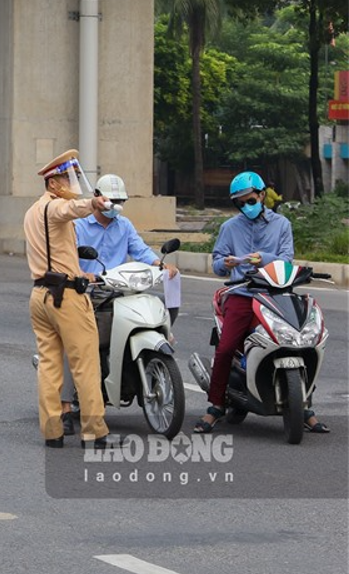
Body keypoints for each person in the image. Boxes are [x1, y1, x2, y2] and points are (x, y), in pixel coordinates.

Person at [193, 171, 328, 434]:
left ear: (262, 195)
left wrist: (262, 257)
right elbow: (218, 264)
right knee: (226, 348)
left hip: (278, 293)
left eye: (250, 200)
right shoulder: (229, 228)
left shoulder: (282, 225)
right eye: (240, 203)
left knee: (305, 342)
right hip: (243, 294)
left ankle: (306, 406)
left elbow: (287, 259)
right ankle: (215, 406)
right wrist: (227, 263)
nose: (246, 206)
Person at [54, 173, 180, 433]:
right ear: (98, 198)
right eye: (112, 200)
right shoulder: (78, 225)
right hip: (87, 293)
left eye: (120, 200)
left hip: (121, 289)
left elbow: (140, 249)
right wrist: (82, 274)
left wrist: (160, 264)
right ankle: (65, 409)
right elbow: (68, 256)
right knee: (75, 347)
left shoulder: (124, 225)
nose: (116, 205)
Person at [24, 149, 111, 448]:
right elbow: (68, 211)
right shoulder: (54, 208)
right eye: (67, 178)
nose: (72, 183)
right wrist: (92, 204)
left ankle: (52, 432)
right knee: (85, 364)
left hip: (41, 294)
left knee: (50, 365)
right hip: (66, 298)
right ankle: (95, 432)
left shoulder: (32, 211)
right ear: (52, 184)